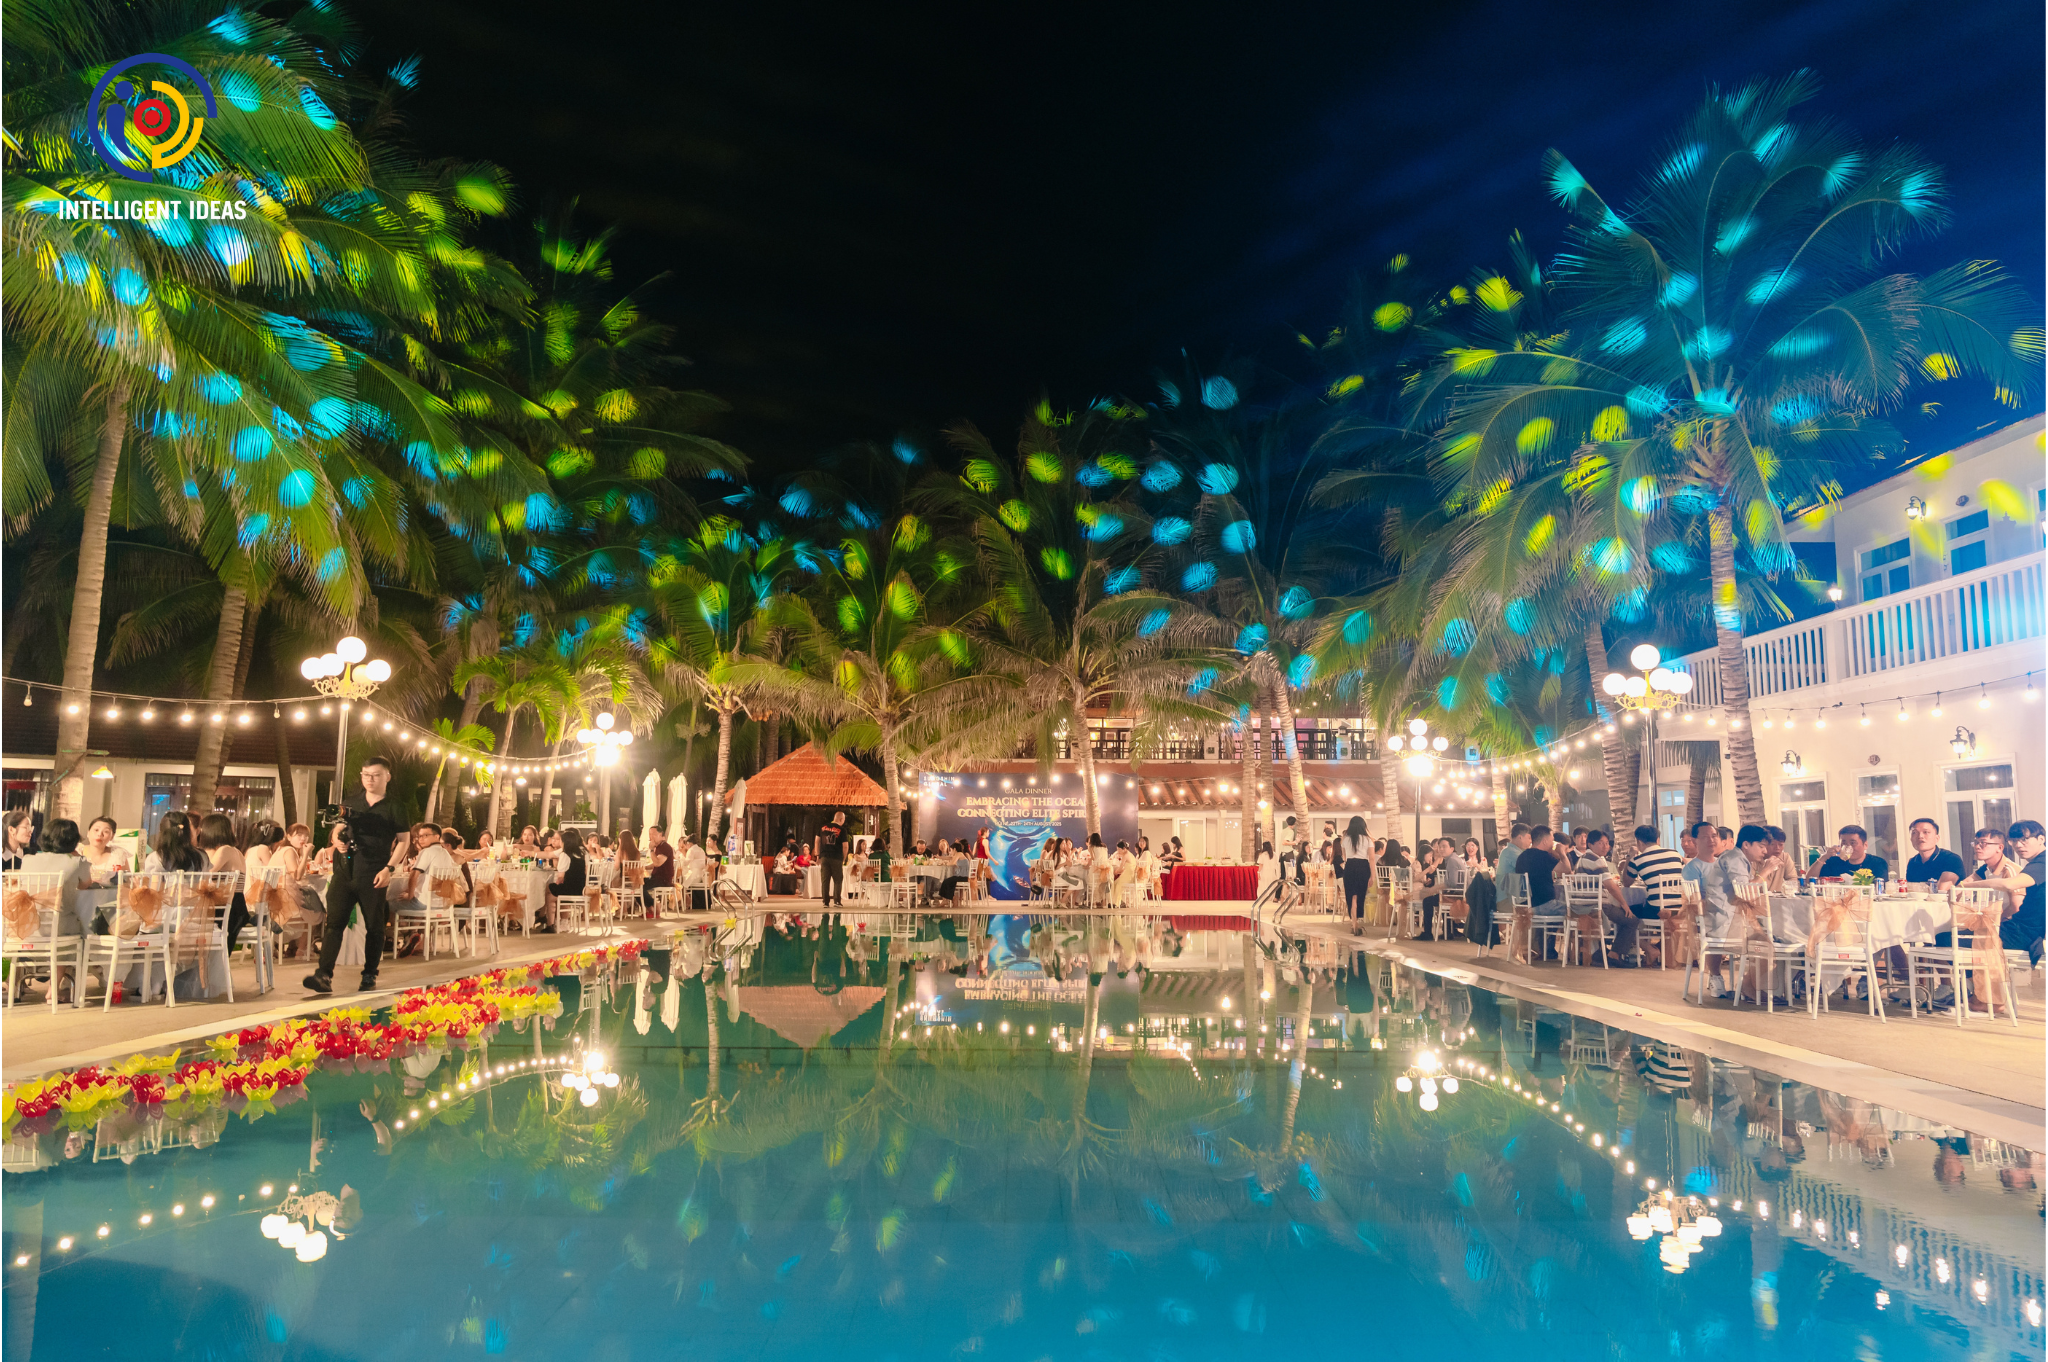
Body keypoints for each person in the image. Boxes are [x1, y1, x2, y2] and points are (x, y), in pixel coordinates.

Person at [304, 754, 407, 995]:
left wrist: (389, 868)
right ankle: (323, 975)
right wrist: (336, 840)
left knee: (375, 926)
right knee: (334, 924)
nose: (370, 779)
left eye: (376, 775)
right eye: (366, 775)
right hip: (344, 871)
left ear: (387, 777)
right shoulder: (351, 802)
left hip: (374, 872)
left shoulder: (395, 806)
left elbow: (404, 841)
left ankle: (369, 974)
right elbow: (338, 827)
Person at [19, 818, 96, 1002]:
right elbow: (86, 884)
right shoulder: (77, 862)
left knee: (63, 925)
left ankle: (15, 986)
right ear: (73, 840)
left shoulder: (28, 860)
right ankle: (54, 989)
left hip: (26, 925)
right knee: (79, 929)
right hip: (59, 927)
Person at [193, 813, 252, 953]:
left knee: (189, 920)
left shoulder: (225, 850)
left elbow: (206, 872)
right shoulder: (235, 851)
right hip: (235, 906)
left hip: (228, 909)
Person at [1415, 836, 1467, 941]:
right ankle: (1447, 932)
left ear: (1452, 848)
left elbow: (1452, 882)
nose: (1441, 849)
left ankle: (1428, 933)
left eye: (1444, 846)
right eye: (1439, 847)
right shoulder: (1454, 858)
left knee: (1427, 901)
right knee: (1438, 898)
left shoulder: (1452, 860)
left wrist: (1436, 887)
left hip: (1457, 895)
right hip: (1459, 893)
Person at [542, 827, 588, 932]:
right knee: (552, 889)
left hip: (569, 889)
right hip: (580, 889)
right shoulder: (581, 854)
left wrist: (556, 885)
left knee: (550, 892)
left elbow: (560, 877)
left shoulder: (564, 855)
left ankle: (550, 923)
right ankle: (561, 921)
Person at [1904, 817, 1965, 892]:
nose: (1920, 836)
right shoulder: (1913, 862)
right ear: (1911, 839)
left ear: (1937, 838)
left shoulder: (1951, 859)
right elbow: (1910, 890)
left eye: (1926, 832)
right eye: (1914, 833)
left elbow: (1941, 891)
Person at [1814, 825, 1887, 883]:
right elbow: (1811, 881)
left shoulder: (1878, 863)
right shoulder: (1833, 862)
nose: (1848, 847)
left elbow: (1881, 890)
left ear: (1865, 845)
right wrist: (1824, 857)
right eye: (1844, 843)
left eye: (1853, 843)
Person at [1517, 828, 1562, 918]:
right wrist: (1562, 853)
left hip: (1525, 905)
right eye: (1552, 841)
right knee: (1573, 910)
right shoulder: (1544, 856)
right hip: (1544, 904)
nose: (1552, 844)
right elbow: (1567, 869)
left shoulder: (1521, 856)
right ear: (1545, 841)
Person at [816, 810, 848, 909]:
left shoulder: (823, 827)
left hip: (824, 857)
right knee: (838, 880)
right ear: (841, 819)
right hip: (836, 857)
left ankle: (825, 902)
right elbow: (845, 846)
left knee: (825, 880)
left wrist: (818, 855)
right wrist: (844, 858)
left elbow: (817, 841)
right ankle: (837, 901)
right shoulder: (842, 830)